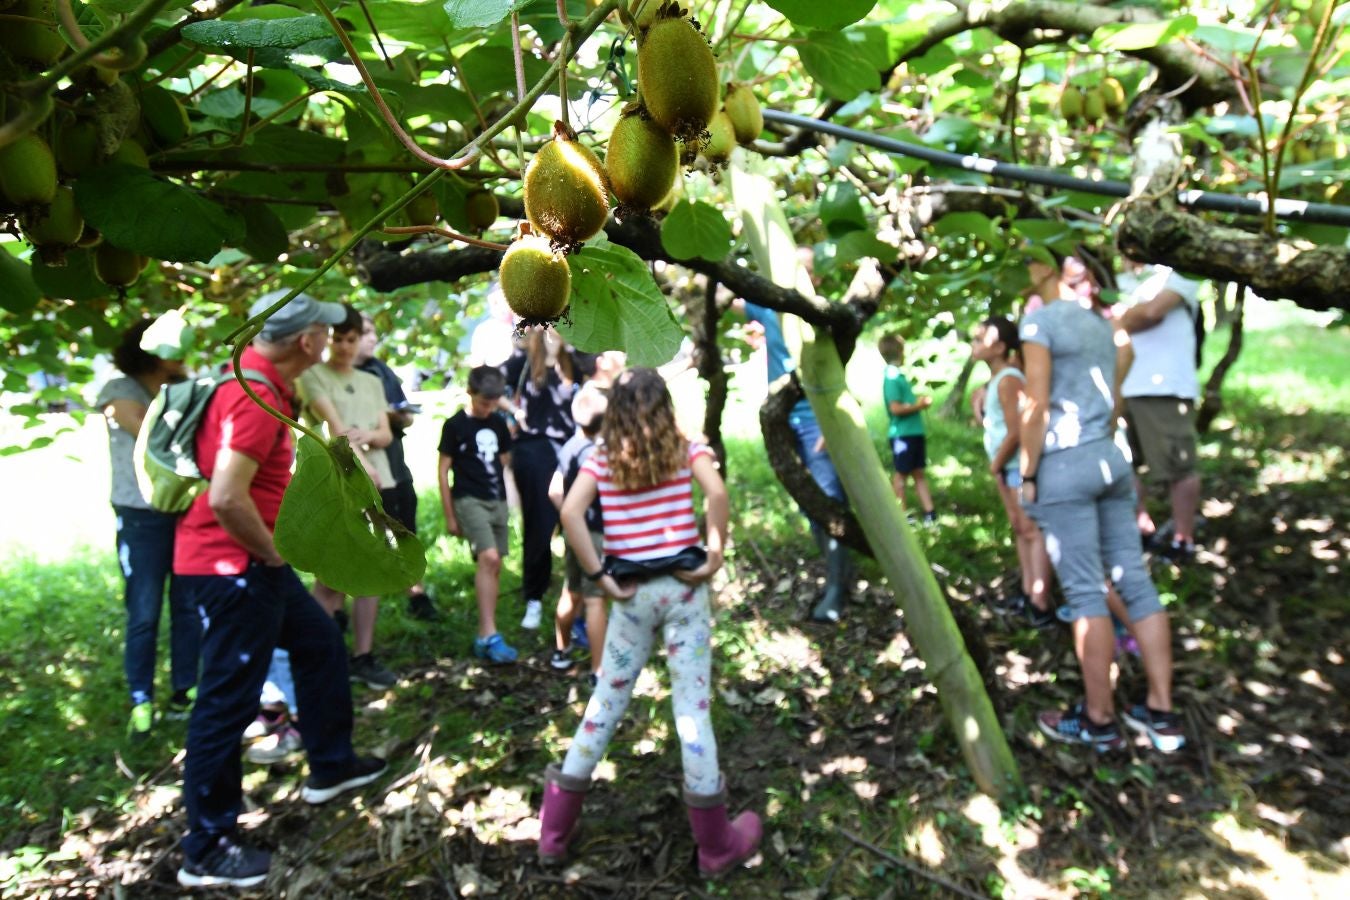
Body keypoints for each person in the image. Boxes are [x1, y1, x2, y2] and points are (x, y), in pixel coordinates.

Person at [173, 290, 387, 888]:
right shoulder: (256, 396)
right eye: (325, 331)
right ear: (308, 342)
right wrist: (271, 554)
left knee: (319, 643)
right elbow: (225, 497)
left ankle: (332, 764)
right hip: (234, 568)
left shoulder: (251, 383)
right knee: (227, 700)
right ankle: (208, 847)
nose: (330, 339)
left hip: (247, 564)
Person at [536, 368, 761, 879]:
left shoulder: (602, 457)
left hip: (631, 596)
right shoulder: (687, 450)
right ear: (666, 407)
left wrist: (598, 574)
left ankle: (553, 835)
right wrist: (715, 553)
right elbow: (718, 495)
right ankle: (716, 847)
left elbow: (571, 513)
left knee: (605, 704)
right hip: (683, 592)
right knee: (692, 711)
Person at [1019, 254, 1185, 754]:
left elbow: (1036, 402)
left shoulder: (1039, 322)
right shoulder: (1102, 324)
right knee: (1134, 580)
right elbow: (1113, 396)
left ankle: (1099, 719)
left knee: (1086, 591)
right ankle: (1161, 712)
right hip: (1111, 459)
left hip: (1065, 464)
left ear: (1041, 268)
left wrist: (1028, 472)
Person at [97, 320, 200, 737]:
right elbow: (152, 435)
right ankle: (141, 698)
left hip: (181, 510)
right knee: (143, 610)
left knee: (187, 605)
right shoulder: (119, 390)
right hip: (140, 514)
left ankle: (184, 690)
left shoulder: (181, 388)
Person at [296, 304, 397, 691]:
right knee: (330, 576)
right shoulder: (312, 376)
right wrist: (361, 460)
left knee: (369, 569)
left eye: (350, 339)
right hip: (337, 484)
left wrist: (366, 436)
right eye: (337, 339)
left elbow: (385, 435)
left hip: (377, 479)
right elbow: (336, 432)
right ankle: (322, 655)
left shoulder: (371, 381)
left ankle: (363, 655)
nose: (343, 346)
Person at [739, 299, 854, 623]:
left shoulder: (819, 318)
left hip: (817, 419)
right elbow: (724, 295)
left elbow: (836, 367)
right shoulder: (765, 310)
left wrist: (833, 422)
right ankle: (839, 575)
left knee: (829, 500)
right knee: (808, 500)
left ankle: (838, 586)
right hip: (784, 419)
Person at [1116, 259, 1204, 561]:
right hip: (1120, 384)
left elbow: (1153, 311)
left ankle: (1183, 539)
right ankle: (1142, 529)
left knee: (1177, 465)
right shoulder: (1115, 277)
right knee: (1124, 463)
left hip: (1164, 386)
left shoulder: (1180, 270)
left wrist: (1117, 319)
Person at [970, 316, 1055, 628]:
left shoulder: (1008, 379)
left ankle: (1040, 601)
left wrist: (996, 463)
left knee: (1031, 529)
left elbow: (1017, 430)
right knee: (1020, 528)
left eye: (980, 340)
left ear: (1001, 347)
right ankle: (1027, 590)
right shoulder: (996, 381)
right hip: (1005, 466)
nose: (974, 345)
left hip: (1014, 465)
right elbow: (994, 424)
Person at [499, 330, 583, 631]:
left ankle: (580, 603)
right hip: (533, 450)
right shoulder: (522, 361)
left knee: (579, 522)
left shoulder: (573, 359)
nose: (557, 328)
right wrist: (514, 411)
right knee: (539, 525)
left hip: (571, 449)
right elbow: (490, 384)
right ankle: (533, 596)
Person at [356, 312, 437, 619]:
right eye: (363, 332)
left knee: (406, 527)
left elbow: (406, 415)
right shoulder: (340, 378)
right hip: (367, 469)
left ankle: (415, 592)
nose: (371, 338)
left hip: (395, 463)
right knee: (373, 536)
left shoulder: (382, 370)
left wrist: (396, 417)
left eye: (372, 332)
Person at [438, 366, 517, 663]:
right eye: (484, 402)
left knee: (494, 565)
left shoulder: (497, 422)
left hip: (496, 499)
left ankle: (486, 633)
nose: (488, 408)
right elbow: (443, 470)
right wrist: (450, 515)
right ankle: (488, 632)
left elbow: (505, 459)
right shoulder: (455, 425)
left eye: (493, 403)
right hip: (469, 498)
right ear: (470, 393)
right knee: (489, 558)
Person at [546, 382, 610, 680]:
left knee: (571, 592)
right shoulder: (597, 455)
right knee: (596, 598)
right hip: (595, 533)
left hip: (574, 533)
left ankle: (562, 650)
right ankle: (599, 669)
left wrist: (569, 518)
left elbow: (554, 491)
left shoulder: (570, 447)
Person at [878, 333, 936, 523]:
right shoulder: (892, 377)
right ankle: (902, 516)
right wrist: (919, 406)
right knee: (901, 474)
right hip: (902, 435)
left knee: (918, 472)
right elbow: (895, 408)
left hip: (913, 432)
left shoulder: (898, 375)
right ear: (899, 351)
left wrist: (917, 403)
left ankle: (930, 513)